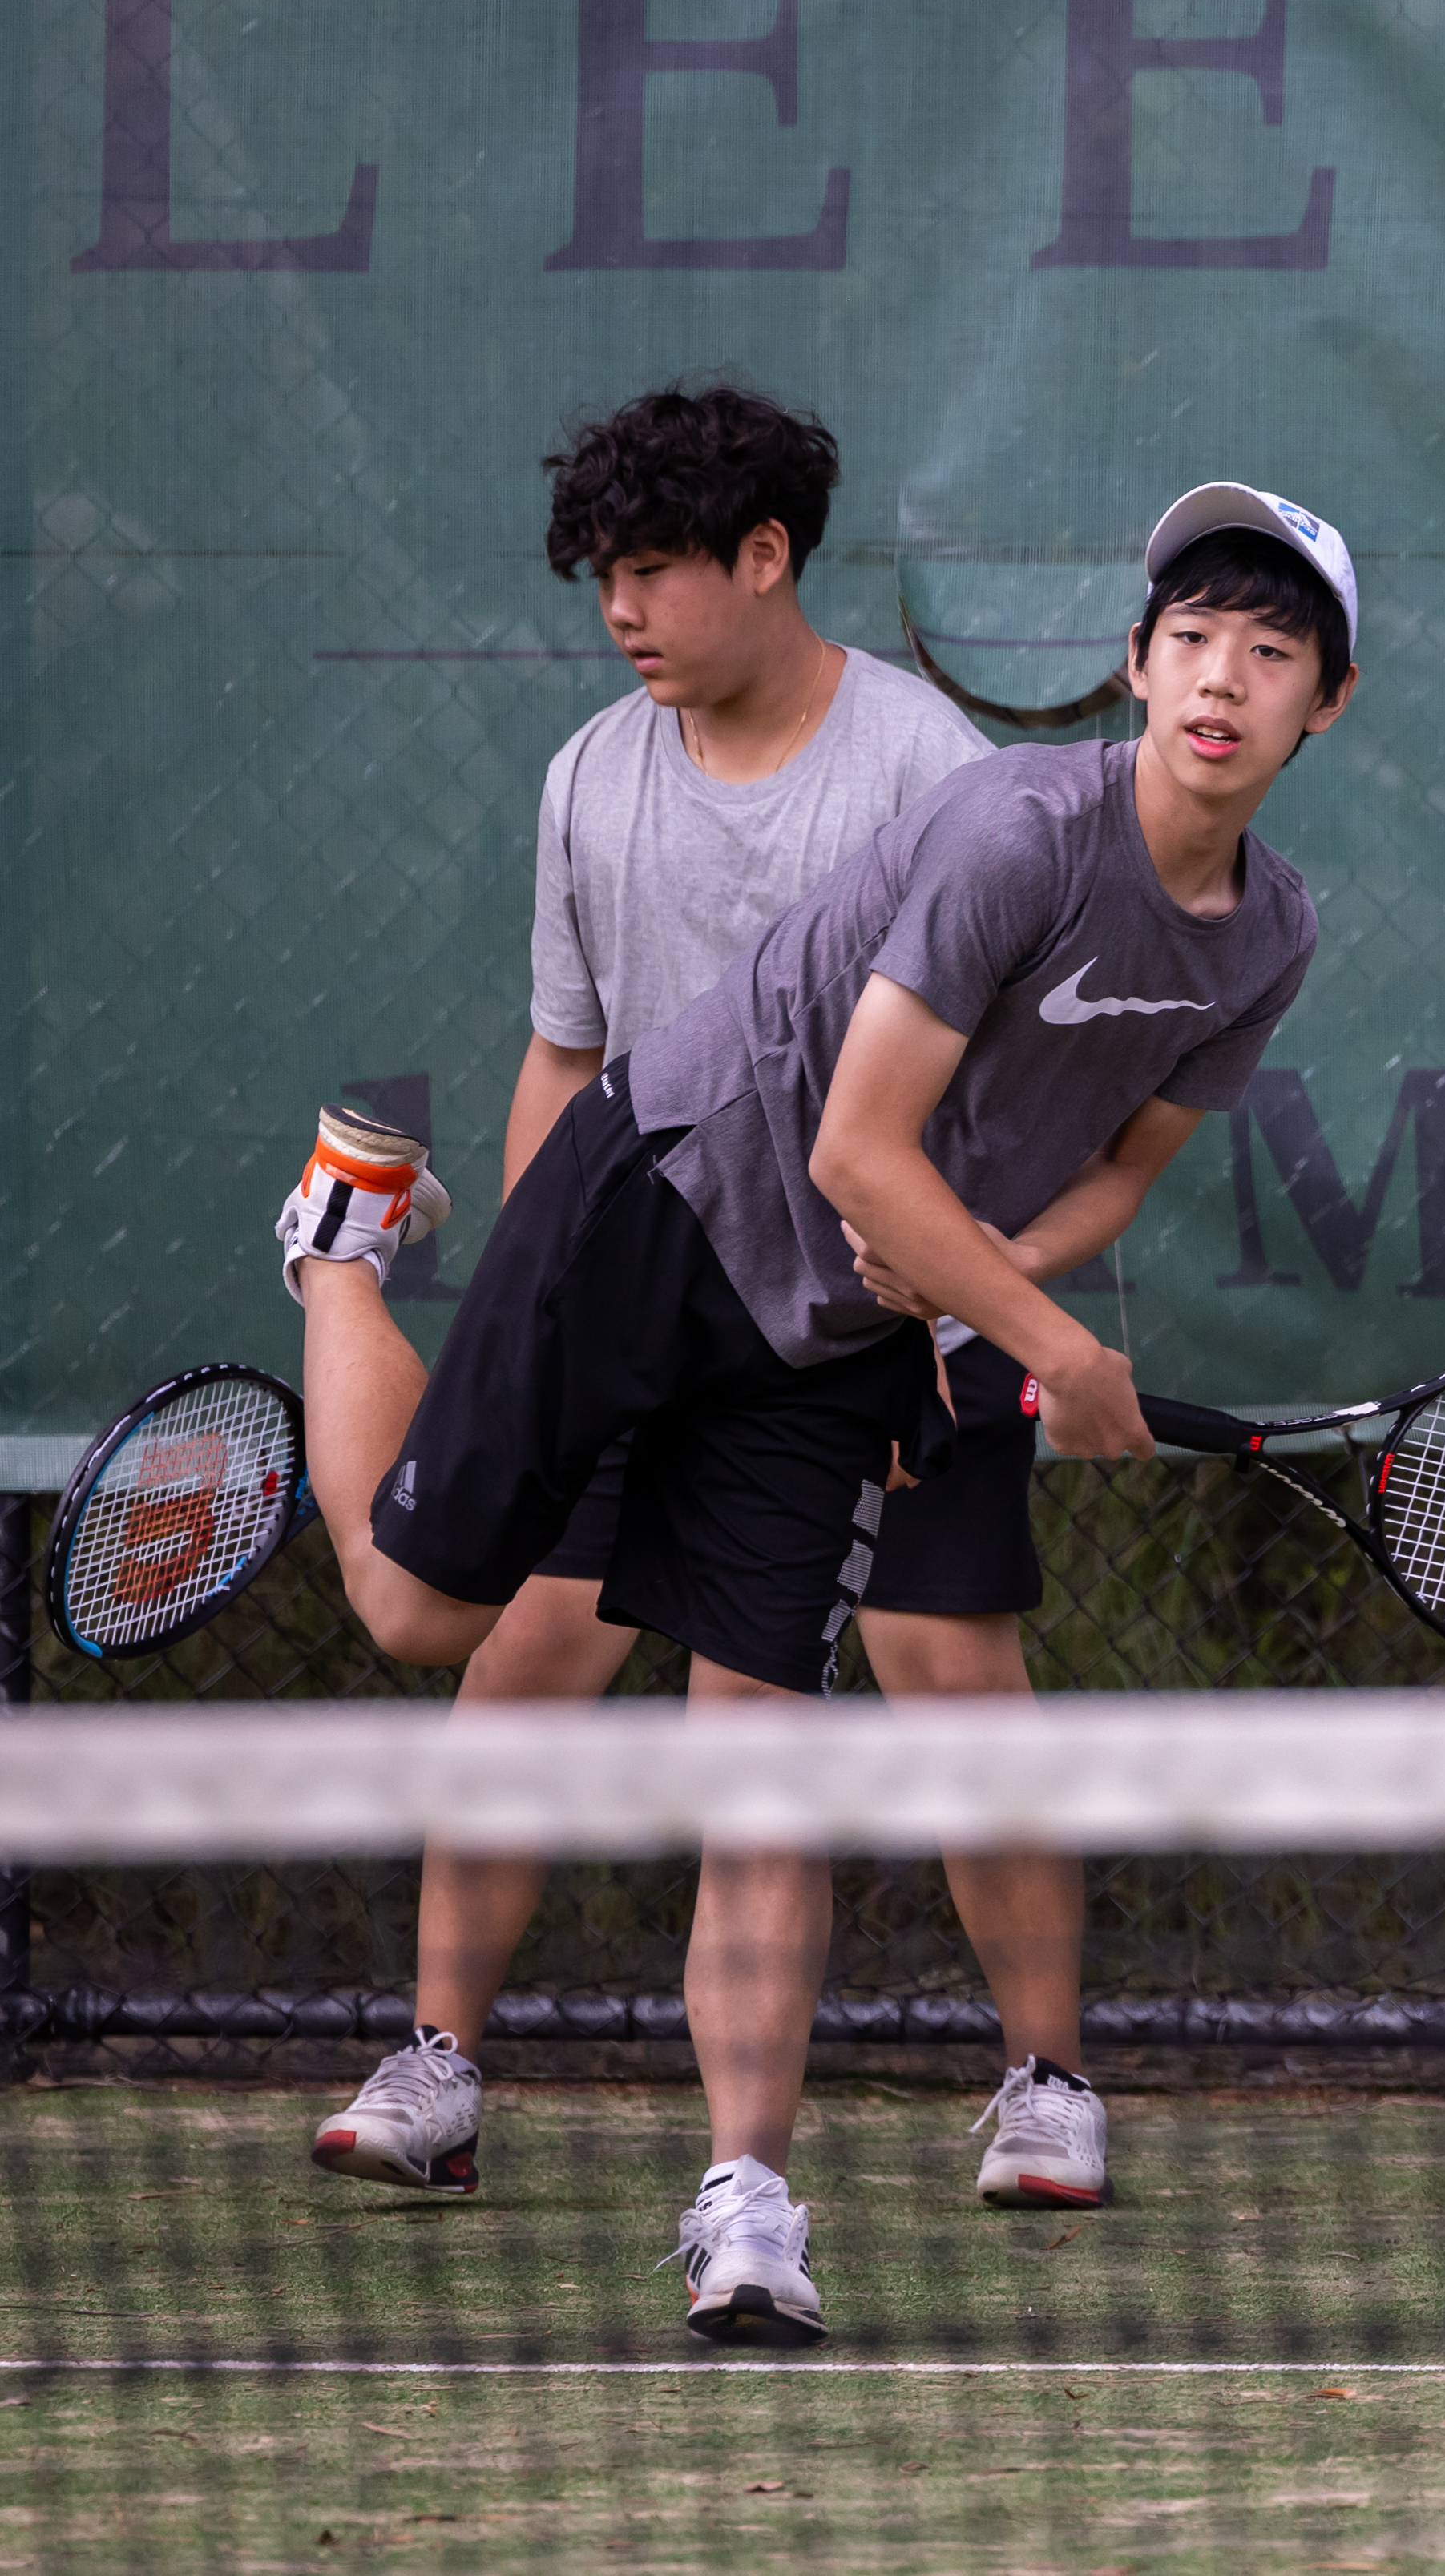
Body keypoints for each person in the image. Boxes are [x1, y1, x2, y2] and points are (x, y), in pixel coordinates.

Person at [278, 481, 1357, 2345]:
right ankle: (336, 1246)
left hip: (840, 1319)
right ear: (1133, 662)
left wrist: (971, 1302)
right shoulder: (1019, 827)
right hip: (672, 1197)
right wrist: (1048, 1343)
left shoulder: (1266, 936)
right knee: (418, 1607)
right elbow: (860, 1141)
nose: (1222, 678)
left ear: (1322, 706)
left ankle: (750, 2198)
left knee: (764, 1747)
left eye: (1271, 652)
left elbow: (1111, 1169)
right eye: (1191, 637)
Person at [305, 385, 1121, 2222]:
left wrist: (957, 1313)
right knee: (512, 1660)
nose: (623, 605)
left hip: (882, 1325)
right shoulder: (592, 774)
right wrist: (542, 1288)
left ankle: (1047, 2078)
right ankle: (438, 2062)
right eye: (607, 571)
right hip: (645, 1287)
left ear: (768, 558)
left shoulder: (929, 775)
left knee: (944, 1664)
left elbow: (992, 1094)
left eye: (658, 567)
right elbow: (564, 1055)